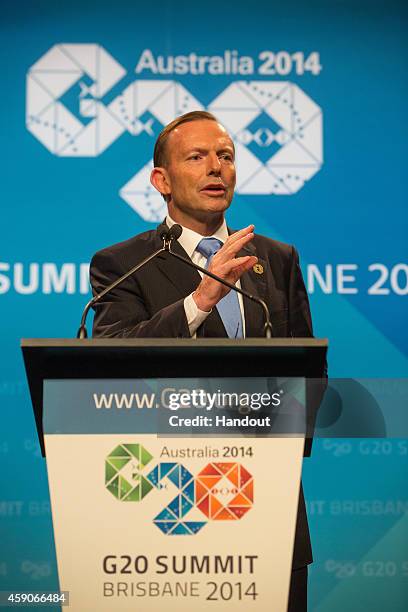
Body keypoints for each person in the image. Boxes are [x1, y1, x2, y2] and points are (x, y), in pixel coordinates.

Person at [90, 110, 320, 610]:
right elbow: (113, 361)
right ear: (162, 181)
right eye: (197, 157)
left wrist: (280, 444)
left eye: (226, 156)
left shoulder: (276, 258)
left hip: (267, 504)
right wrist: (201, 299)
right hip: (164, 506)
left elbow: (308, 370)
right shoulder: (123, 263)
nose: (217, 167)